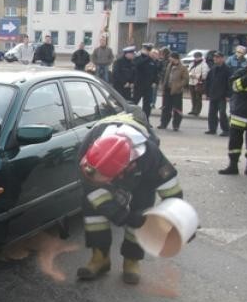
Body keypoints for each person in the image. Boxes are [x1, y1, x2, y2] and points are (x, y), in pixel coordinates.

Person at [77, 113, 183, 284]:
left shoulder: (150, 155)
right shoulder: (89, 152)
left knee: (142, 213)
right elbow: (93, 191)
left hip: (142, 176)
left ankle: (131, 261)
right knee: (93, 211)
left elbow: (170, 187)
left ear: (124, 170)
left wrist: (177, 217)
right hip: (106, 151)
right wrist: (122, 216)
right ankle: (100, 258)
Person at [218, 47, 247, 178]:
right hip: (239, 115)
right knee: (235, 142)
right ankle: (233, 166)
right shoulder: (242, 71)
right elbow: (235, 87)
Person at [158, 52, 189, 131]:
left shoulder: (182, 67)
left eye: (171, 57)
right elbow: (166, 76)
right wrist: (164, 85)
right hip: (168, 90)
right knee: (166, 108)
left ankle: (176, 125)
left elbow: (185, 79)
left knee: (177, 109)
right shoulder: (169, 65)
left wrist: (178, 86)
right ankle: (163, 123)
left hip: (177, 91)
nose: (169, 59)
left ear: (175, 58)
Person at [204, 52, 232, 137]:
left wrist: (228, 95)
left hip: (222, 95)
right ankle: (212, 129)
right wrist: (206, 93)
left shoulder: (227, 69)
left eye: (218, 57)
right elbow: (208, 81)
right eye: (215, 57)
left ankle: (226, 130)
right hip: (213, 94)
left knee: (222, 113)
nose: (215, 59)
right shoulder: (213, 68)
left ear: (222, 58)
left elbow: (230, 83)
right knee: (212, 113)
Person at [132, 43, 158, 120]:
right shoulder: (139, 58)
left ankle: (146, 119)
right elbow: (137, 65)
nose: (149, 52)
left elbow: (155, 72)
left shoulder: (152, 60)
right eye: (147, 50)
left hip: (148, 86)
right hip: (139, 84)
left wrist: (155, 81)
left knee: (147, 105)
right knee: (135, 102)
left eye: (149, 50)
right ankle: (131, 117)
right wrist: (147, 58)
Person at [187, 51, 210, 116]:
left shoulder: (204, 64)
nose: (196, 58)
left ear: (200, 57)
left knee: (198, 98)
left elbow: (204, 75)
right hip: (191, 82)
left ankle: (197, 111)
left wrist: (196, 76)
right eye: (195, 57)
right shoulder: (192, 63)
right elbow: (188, 70)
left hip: (198, 83)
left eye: (197, 57)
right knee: (193, 97)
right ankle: (193, 109)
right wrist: (190, 74)